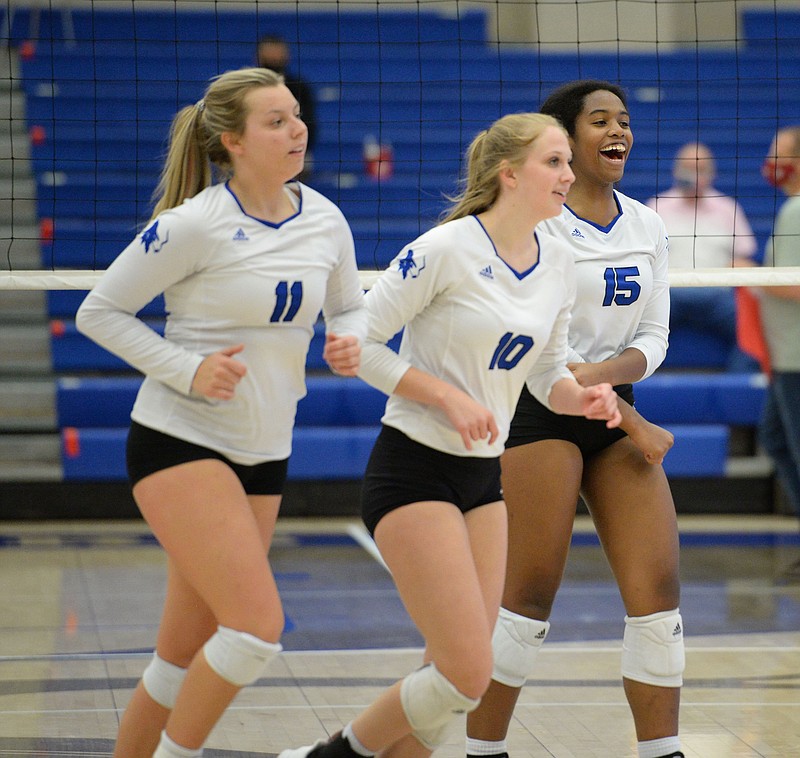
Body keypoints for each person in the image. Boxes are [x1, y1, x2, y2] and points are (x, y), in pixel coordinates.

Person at [279, 113, 622, 758]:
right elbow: (357, 344)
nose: (570, 175)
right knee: (469, 670)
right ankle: (331, 756)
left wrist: (585, 397)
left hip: (481, 479)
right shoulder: (445, 250)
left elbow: (548, 374)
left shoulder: (559, 260)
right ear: (509, 173)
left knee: (456, 672)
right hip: (413, 471)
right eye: (554, 162)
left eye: (569, 164)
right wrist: (444, 395)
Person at [75, 67, 367, 758]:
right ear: (232, 141)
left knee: (178, 656)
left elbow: (349, 303)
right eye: (276, 121)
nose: (296, 129)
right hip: (181, 439)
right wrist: (189, 368)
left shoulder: (325, 216)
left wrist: (348, 337)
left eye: (296, 115)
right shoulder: (195, 225)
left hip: (265, 447)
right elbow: (100, 312)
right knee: (255, 627)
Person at [465, 80, 685, 758]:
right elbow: (529, 353)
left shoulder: (646, 225)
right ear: (563, 140)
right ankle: (482, 749)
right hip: (537, 417)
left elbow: (654, 338)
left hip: (611, 411)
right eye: (600, 121)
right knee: (528, 594)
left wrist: (601, 386)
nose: (618, 131)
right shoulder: (535, 223)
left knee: (660, 593)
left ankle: (661, 750)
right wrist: (594, 393)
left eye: (624, 120)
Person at [647, 142, 759, 372]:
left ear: (712, 173)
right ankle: (642, 390)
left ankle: (735, 392)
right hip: (670, 294)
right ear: (676, 170)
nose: (694, 174)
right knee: (637, 330)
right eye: (688, 167)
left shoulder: (728, 208)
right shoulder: (656, 207)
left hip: (717, 293)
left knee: (751, 331)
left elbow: (744, 258)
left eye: (701, 167)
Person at [756, 125, 800, 578]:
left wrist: (749, 274)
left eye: (778, 153)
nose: (769, 160)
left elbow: (792, 284)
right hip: (785, 355)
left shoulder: (795, 211)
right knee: (776, 438)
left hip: (796, 358)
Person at [257, 34, 318, 177]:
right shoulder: (249, 88)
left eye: (276, 53)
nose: (273, 57)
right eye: (269, 53)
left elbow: (310, 124)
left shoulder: (299, 87)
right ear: (258, 56)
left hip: (292, 150)